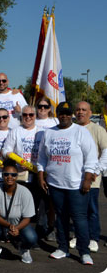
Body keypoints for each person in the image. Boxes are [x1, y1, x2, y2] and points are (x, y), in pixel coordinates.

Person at [37, 102, 98, 265]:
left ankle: (84, 252)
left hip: (76, 186)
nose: (63, 116)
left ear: (71, 114)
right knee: (60, 218)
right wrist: (41, 176)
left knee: (79, 219)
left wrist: (87, 178)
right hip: (55, 184)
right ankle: (63, 248)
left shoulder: (80, 132)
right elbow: (42, 157)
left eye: (66, 113)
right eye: (61, 113)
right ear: (56, 114)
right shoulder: (49, 133)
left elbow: (91, 157)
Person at [0, 159, 37, 264]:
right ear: (2, 175)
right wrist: (9, 226)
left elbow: (27, 218)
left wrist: (16, 228)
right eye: (6, 174)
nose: (10, 177)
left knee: (32, 238)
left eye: (13, 175)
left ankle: (24, 248)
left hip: (19, 224)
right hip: (1, 224)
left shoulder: (25, 192)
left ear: (17, 176)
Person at [71, 101, 107, 253]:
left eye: (84, 110)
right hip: (73, 178)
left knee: (91, 209)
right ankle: (77, 235)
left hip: (92, 178)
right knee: (76, 210)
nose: (81, 112)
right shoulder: (71, 129)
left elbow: (106, 151)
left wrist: (95, 170)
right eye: (78, 110)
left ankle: (93, 238)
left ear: (90, 113)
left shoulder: (97, 129)